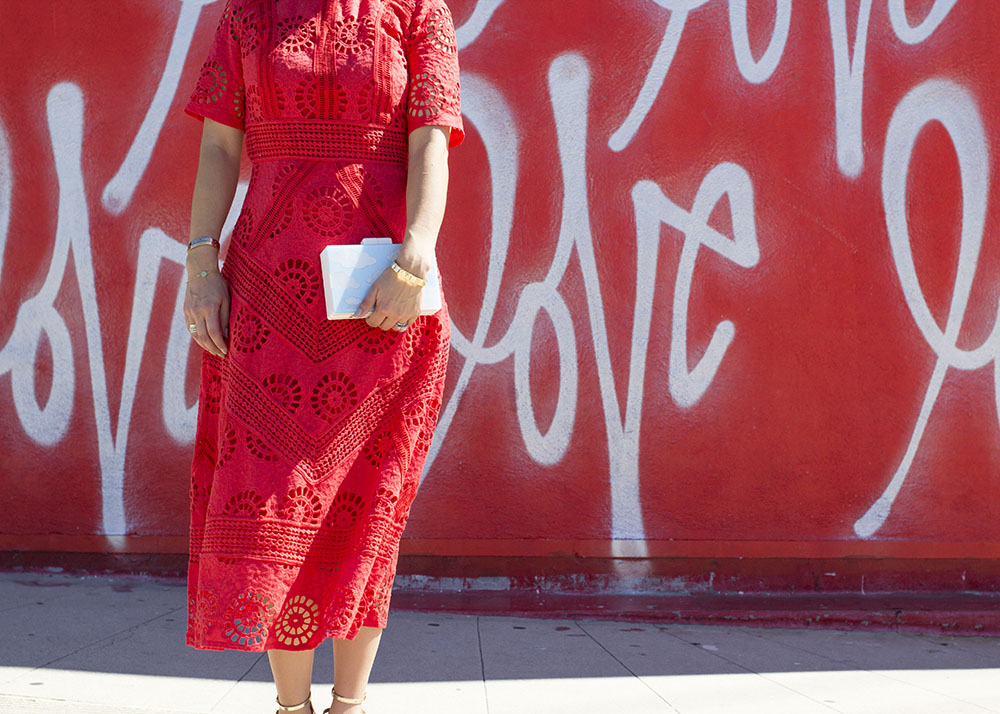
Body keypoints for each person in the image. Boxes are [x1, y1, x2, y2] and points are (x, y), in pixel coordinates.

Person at [180, 1, 464, 712]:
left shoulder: (418, 14)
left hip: (383, 299)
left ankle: (350, 704)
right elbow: (219, 147)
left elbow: (432, 140)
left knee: (366, 507)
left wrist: (416, 262)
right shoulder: (245, 15)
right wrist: (199, 264)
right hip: (267, 298)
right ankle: (291, 706)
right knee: (273, 500)